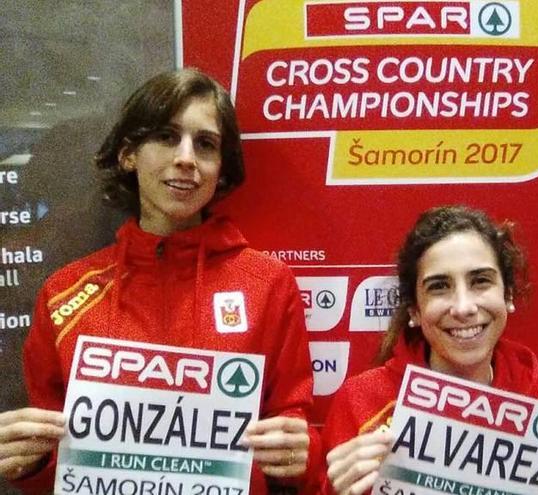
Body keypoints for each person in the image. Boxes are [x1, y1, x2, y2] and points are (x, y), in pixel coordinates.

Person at [0, 69, 318, 494]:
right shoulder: (65, 292)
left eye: (205, 144)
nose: (186, 157)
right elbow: (55, 462)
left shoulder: (268, 283)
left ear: (221, 169)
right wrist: (29, 464)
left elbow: (293, 433)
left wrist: (301, 454)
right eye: (167, 137)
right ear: (128, 154)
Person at [321, 205, 538, 495]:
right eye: (439, 286)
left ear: (508, 295)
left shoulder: (535, 400)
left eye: (480, 281)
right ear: (415, 310)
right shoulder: (360, 402)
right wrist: (332, 491)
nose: (464, 308)